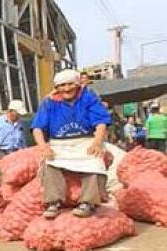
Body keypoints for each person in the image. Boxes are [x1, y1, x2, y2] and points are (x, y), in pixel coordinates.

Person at [32, 69, 111, 219]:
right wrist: (43, 146)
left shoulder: (88, 97)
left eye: (70, 84)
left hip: (85, 141)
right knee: (50, 165)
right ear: (57, 87)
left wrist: (97, 142)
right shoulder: (48, 102)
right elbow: (37, 128)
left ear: (77, 84)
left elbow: (101, 122)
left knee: (95, 163)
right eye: (62, 85)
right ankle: (53, 202)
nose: (67, 89)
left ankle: (88, 202)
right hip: (59, 144)